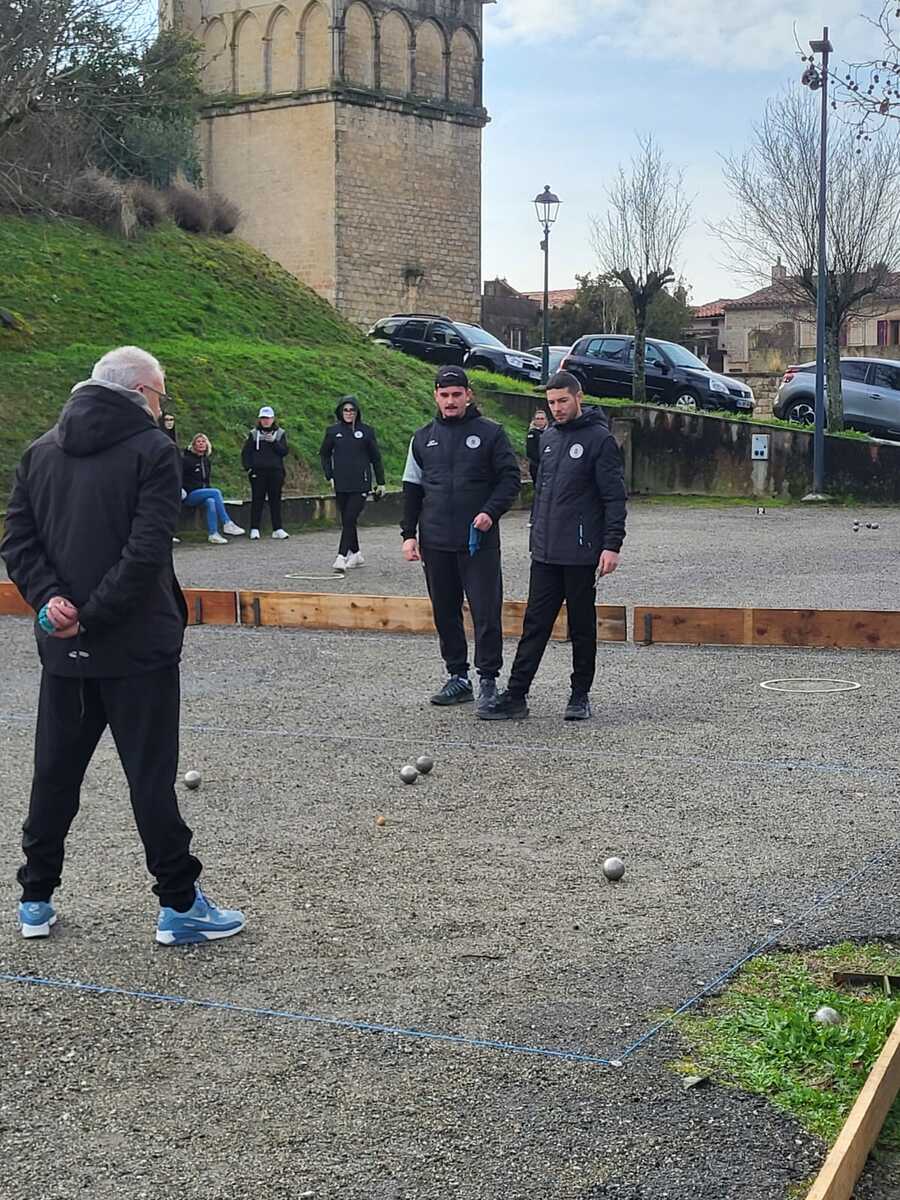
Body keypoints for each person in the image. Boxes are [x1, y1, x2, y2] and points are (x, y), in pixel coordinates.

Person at [0, 345, 244, 945]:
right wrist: (91, 616)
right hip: (136, 647)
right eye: (161, 395)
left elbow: (17, 541)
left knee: (54, 773)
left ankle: (34, 897)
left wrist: (51, 602)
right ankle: (179, 903)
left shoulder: (39, 451)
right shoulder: (153, 450)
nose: (162, 407)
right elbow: (146, 550)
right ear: (139, 392)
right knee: (149, 777)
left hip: (64, 645)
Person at [481, 370, 626, 723]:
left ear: (579, 397)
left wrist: (611, 545)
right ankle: (517, 695)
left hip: (580, 551)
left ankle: (579, 695)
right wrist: (536, 537)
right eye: (551, 402)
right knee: (535, 625)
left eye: (562, 401)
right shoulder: (548, 438)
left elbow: (614, 497)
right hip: (546, 551)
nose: (557, 408)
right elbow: (543, 493)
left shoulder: (600, 440)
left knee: (581, 626)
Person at [401, 366, 520, 713]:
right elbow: (411, 489)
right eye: (444, 395)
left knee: (485, 612)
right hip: (436, 540)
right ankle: (458, 677)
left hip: (477, 541)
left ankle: (488, 679)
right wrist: (409, 534)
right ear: (436, 396)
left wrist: (490, 512)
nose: (451, 401)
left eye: (457, 394)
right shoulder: (422, 438)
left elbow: (510, 480)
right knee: (445, 612)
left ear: (468, 395)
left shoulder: (491, 433)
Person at [319, 395, 385, 573]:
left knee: (350, 518)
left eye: (352, 410)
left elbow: (376, 458)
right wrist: (329, 475)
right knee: (347, 520)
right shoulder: (333, 431)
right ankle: (356, 553)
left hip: (361, 483)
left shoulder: (366, 431)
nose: (349, 413)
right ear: (340, 412)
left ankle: (341, 556)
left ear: (357, 412)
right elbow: (324, 454)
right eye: (346, 410)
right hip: (341, 483)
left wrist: (381, 482)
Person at [182, 433, 244, 545]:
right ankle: (227, 523)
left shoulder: (206, 461)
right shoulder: (186, 460)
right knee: (216, 492)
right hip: (190, 494)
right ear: (194, 445)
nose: (201, 444)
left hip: (203, 494)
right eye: (198, 442)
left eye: (203, 441)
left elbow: (206, 481)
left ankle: (213, 534)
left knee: (211, 501)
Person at [241, 405, 289, 540]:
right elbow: (246, 453)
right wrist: (249, 468)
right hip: (258, 472)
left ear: (273, 419)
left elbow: (284, 451)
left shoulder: (280, 433)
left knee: (275, 500)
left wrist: (274, 442)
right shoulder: (254, 434)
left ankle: (277, 528)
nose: (265, 421)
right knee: (257, 500)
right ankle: (254, 528)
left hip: (276, 471)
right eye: (263, 418)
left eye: (268, 418)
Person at [525, 408, 548, 485]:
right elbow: (530, 452)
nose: (540, 421)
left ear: (546, 420)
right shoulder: (532, 433)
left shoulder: (550, 432)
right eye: (538, 419)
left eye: (542, 419)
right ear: (534, 420)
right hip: (537, 466)